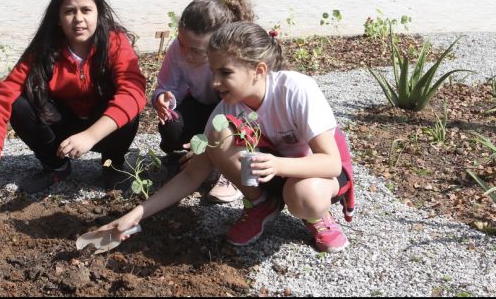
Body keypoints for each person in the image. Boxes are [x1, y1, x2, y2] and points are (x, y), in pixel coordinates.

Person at [100, 22, 355, 253]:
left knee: (304, 196)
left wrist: (278, 165)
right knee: (218, 134)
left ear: (259, 70)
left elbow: (330, 162)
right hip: (272, 172)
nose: (214, 82)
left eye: (225, 73)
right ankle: (261, 204)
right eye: (213, 72)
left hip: (318, 173)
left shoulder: (295, 90)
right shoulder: (227, 109)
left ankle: (317, 218)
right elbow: (192, 175)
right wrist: (135, 215)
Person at [0, 0, 146, 197]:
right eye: (69, 11)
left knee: (129, 110)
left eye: (86, 10)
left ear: (99, 13)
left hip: (103, 128)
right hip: (62, 128)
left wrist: (91, 136)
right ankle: (56, 167)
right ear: (57, 18)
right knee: (18, 104)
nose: (78, 19)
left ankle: (111, 165)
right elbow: (1, 100)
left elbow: (134, 92)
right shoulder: (44, 50)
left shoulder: (115, 43)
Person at [153, 0, 255, 204]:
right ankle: (196, 161)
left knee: (230, 125)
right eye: (181, 43)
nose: (186, 55)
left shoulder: (239, 58)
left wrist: (209, 149)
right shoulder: (179, 50)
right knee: (171, 123)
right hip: (203, 108)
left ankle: (230, 171)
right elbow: (167, 85)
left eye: (196, 51)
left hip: (240, 119)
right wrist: (164, 98)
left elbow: (245, 112)